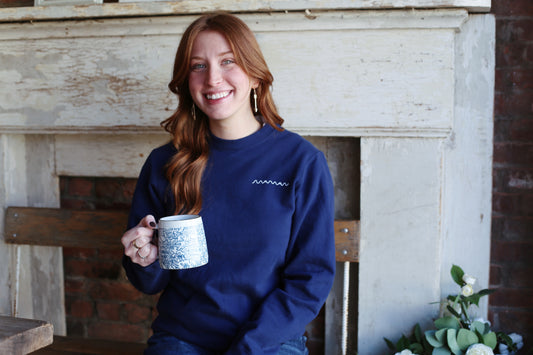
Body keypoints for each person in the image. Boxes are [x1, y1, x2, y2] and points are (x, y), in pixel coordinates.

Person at [121, 12, 335, 355]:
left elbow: (310, 280)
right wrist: (143, 259)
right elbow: (150, 283)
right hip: (182, 339)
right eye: (198, 66)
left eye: (228, 62)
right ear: (186, 80)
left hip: (270, 342)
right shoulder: (165, 163)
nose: (213, 79)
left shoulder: (301, 162)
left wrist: (247, 348)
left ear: (254, 75)